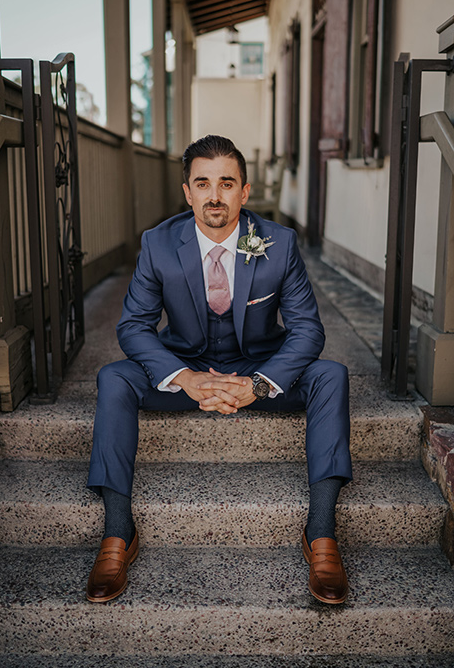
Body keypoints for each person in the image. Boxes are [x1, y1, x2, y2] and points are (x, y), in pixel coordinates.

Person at [86, 135, 352, 605]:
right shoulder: (158, 244)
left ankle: (322, 534)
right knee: (114, 378)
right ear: (186, 192)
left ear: (244, 192)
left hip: (258, 368)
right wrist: (185, 378)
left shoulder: (279, 242)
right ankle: (117, 533)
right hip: (185, 370)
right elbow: (133, 327)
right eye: (202, 183)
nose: (214, 195)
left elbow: (307, 331)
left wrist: (256, 383)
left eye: (226, 183)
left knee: (330, 375)